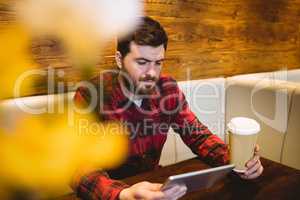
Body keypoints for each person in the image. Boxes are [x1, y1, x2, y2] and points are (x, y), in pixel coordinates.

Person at [72, 16, 263, 200]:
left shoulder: (167, 89)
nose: (152, 73)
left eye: (158, 63)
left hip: (155, 187)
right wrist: (123, 194)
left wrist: (236, 160)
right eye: (142, 62)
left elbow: (197, 135)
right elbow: (77, 169)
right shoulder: (90, 95)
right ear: (119, 59)